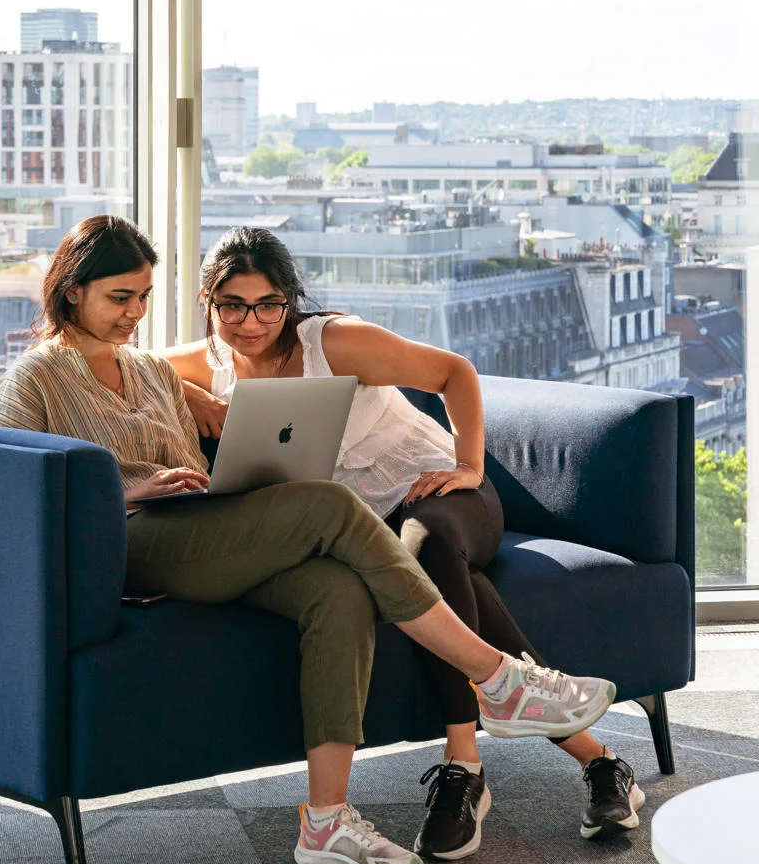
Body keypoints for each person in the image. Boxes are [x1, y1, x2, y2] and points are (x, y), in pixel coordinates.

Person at [0, 215, 617, 864]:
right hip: (130, 543)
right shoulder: (35, 377)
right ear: (70, 293)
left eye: (143, 296)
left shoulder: (151, 371)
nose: (136, 312)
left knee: (336, 590)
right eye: (120, 297)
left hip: (198, 529)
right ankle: (499, 679)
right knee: (329, 505)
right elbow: (6, 481)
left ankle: (326, 823)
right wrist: (126, 490)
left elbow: (203, 435)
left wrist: (209, 438)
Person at [164, 225, 645, 860]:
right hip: (361, 528)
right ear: (208, 302)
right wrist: (193, 390)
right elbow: (126, 368)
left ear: (290, 301)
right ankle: (602, 762)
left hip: (441, 495)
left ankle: (462, 765)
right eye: (232, 306)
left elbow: (454, 371)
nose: (251, 322)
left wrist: (470, 464)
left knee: (423, 553)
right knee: (445, 583)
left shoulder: (336, 341)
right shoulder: (206, 361)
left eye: (268, 305)